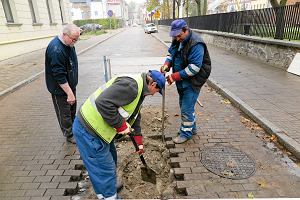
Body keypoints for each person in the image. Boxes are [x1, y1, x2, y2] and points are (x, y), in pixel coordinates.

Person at [72, 70, 165, 199]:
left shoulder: (140, 91)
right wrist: (121, 125)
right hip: (88, 130)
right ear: (153, 84)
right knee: (104, 169)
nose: (155, 94)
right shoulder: (131, 87)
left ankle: (106, 189)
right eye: (157, 91)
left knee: (111, 160)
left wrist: (139, 143)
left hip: (101, 131)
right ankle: (109, 196)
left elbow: (135, 116)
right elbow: (102, 102)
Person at [161, 19, 211, 144]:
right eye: (175, 36)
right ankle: (191, 128)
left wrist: (174, 76)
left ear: (186, 30)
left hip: (193, 81)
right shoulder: (178, 39)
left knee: (186, 108)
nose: (177, 39)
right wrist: (167, 64)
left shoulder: (196, 43)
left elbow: (194, 68)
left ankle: (186, 133)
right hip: (182, 80)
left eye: (179, 36)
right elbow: (171, 53)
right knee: (184, 105)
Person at [45, 24, 80, 144]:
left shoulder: (69, 43)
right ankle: (69, 135)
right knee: (64, 113)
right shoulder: (56, 49)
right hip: (60, 89)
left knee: (72, 111)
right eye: (73, 39)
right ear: (65, 35)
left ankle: (74, 130)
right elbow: (58, 74)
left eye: (77, 39)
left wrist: (72, 88)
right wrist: (69, 93)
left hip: (70, 86)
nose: (75, 42)